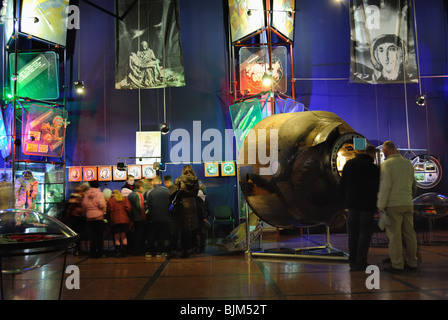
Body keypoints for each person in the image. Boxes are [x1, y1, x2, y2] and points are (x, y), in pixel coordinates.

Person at [377, 141, 418, 273]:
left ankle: (397, 265)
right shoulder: (407, 163)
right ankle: (412, 262)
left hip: (393, 204)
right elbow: (414, 185)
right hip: (407, 203)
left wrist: (381, 205)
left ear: (385, 152)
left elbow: (385, 186)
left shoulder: (386, 165)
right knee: (410, 234)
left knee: (394, 236)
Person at [340, 145, 380, 271]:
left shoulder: (349, 165)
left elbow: (342, 185)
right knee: (364, 234)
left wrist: (344, 202)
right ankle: (361, 262)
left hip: (351, 205)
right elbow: (377, 187)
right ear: (372, 154)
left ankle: (352, 261)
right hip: (367, 206)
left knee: (352, 234)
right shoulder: (373, 168)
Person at [174, 165, 206, 258]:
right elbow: (195, 193)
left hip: (182, 206)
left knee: (182, 229)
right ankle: (189, 249)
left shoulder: (179, 180)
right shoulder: (195, 180)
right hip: (192, 205)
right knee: (191, 229)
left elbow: (174, 193)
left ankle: (183, 250)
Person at [145, 175, 171, 257]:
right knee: (162, 235)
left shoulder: (150, 192)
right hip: (164, 217)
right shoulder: (166, 191)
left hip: (153, 217)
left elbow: (148, 205)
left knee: (152, 235)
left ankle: (151, 251)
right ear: (160, 182)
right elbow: (170, 204)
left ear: (153, 182)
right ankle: (161, 251)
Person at [82, 180, 106, 258]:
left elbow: (84, 205)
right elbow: (102, 205)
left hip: (89, 218)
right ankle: (100, 252)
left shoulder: (86, 194)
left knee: (92, 236)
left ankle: (92, 253)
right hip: (99, 217)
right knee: (99, 236)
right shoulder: (100, 194)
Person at [65, 184, 90, 255]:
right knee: (80, 234)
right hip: (80, 217)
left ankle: (77, 249)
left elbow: (70, 208)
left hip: (74, 217)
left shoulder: (72, 197)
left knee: (76, 234)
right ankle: (79, 249)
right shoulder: (81, 197)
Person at [107, 190, 132, 257]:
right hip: (124, 220)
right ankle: (124, 252)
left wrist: (109, 221)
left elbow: (108, 212)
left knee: (117, 238)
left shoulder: (110, 201)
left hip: (115, 221)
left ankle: (118, 252)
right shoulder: (124, 199)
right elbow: (129, 209)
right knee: (124, 237)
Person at [127, 180, 147, 255]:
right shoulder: (139, 195)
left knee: (134, 234)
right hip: (139, 218)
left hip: (132, 218)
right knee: (140, 234)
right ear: (140, 187)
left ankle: (133, 250)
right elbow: (140, 206)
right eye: (143, 187)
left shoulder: (130, 195)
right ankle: (140, 250)